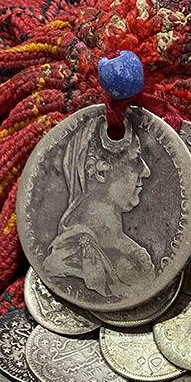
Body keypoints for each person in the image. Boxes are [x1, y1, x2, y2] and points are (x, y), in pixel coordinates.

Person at [38, 119, 155, 304]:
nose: (146, 171)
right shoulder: (70, 254)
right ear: (100, 172)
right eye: (135, 160)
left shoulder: (125, 245)